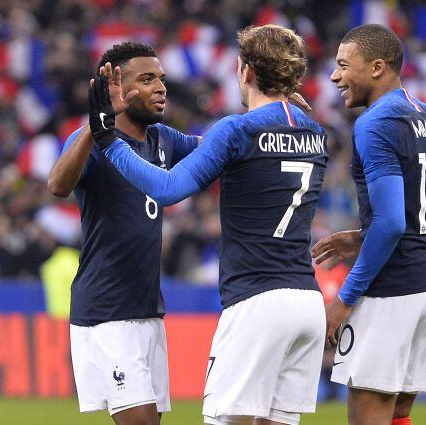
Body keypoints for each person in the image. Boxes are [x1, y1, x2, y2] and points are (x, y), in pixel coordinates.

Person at [88, 24, 328, 425]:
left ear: (246, 71)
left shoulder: (238, 129)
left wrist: (108, 140)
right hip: (307, 300)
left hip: (257, 302)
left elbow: (167, 188)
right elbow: (249, 149)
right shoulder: (316, 132)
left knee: (224, 419)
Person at [311, 24, 426, 425]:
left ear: (377, 67)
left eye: (344, 66)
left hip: (395, 289)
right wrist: (363, 237)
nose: (334, 77)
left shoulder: (374, 123)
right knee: (398, 415)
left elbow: (393, 222)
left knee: (368, 417)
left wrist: (344, 299)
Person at [47, 42, 200, 425]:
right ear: (113, 84)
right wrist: (95, 125)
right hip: (107, 309)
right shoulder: (92, 144)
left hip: (148, 308)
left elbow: (216, 148)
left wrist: (266, 115)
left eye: (161, 79)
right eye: (146, 80)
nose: (160, 87)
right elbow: (57, 185)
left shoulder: (162, 139)